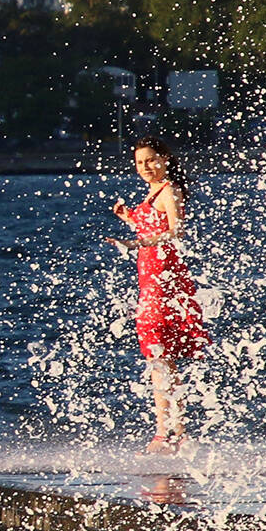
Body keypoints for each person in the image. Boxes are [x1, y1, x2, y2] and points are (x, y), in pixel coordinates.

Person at [109, 137, 209, 452]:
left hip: (164, 279)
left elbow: (175, 232)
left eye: (152, 160)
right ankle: (175, 432)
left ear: (165, 159)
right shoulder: (154, 192)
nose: (146, 168)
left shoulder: (170, 191)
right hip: (150, 276)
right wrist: (129, 219)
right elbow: (153, 228)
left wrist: (136, 243)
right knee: (160, 358)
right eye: (140, 163)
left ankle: (166, 434)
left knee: (158, 356)